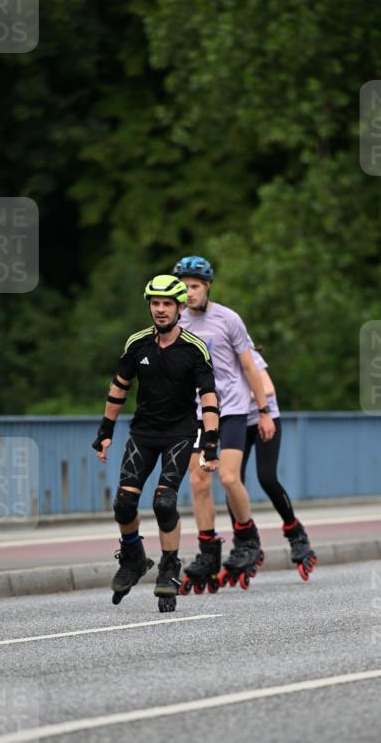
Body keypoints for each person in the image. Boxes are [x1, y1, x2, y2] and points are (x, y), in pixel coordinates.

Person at [92, 274, 220, 607]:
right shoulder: (137, 344)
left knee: (164, 503)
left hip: (180, 433)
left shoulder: (194, 349)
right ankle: (133, 556)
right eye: (155, 304)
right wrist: (105, 432)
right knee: (123, 503)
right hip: (143, 433)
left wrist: (210, 441)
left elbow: (209, 396)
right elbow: (119, 388)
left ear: (180, 307)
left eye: (167, 304)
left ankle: (168, 567)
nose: (160, 310)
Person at [174, 255, 276, 591]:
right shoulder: (176, 323)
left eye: (195, 286)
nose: (189, 293)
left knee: (230, 478)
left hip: (231, 409)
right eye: (184, 287)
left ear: (207, 287)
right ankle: (207, 552)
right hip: (197, 413)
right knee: (199, 482)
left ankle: (247, 540)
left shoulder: (228, 319)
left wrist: (262, 410)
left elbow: (250, 367)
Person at [230, 348, 317, 581]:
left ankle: (296, 534)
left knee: (266, 477)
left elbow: (267, 388)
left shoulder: (249, 356)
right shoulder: (214, 361)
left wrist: (233, 396)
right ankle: (244, 542)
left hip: (264, 419)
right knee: (232, 481)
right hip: (235, 423)